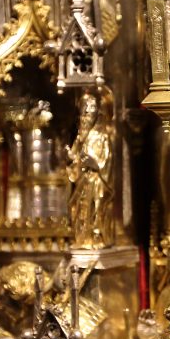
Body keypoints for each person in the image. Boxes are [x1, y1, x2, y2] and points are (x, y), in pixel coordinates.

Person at [68, 89, 116, 248]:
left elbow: (106, 162)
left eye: (88, 114)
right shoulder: (80, 138)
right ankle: (81, 239)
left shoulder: (102, 136)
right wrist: (72, 159)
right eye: (82, 115)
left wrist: (93, 163)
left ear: (96, 115)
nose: (84, 118)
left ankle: (97, 239)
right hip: (83, 181)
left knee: (96, 209)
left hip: (97, 182)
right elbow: (74, 163)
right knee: (76, 207)